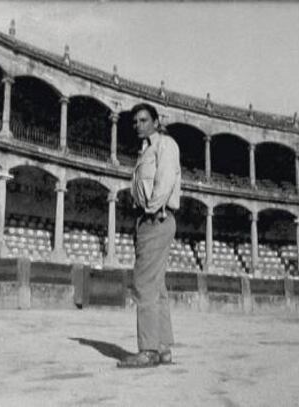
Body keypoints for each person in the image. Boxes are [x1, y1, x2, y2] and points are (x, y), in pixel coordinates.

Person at [117, 103, 181, 368]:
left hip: (157, 218)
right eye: (135, 122)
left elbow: (164, 181)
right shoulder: (146, 150)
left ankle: (148, 350)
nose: (138, 125)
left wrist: (153, 210)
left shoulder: (165, 144)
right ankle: (163, 348)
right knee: (157, 287)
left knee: (144, 285)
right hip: (151, 219)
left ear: (156, 122)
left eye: (144, 120)